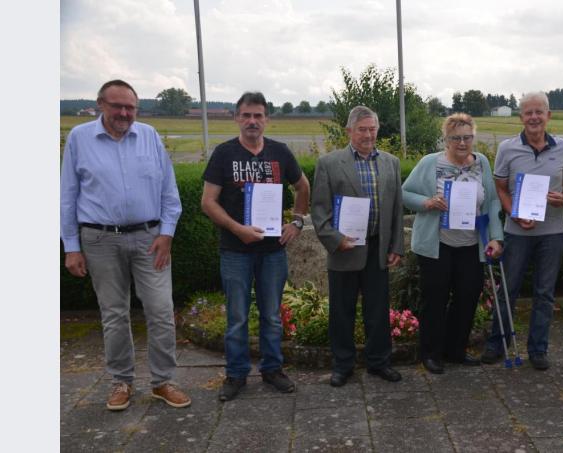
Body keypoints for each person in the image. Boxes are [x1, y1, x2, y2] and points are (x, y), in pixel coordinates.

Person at [60, 80, 191, 411]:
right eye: (116, 106)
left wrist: (167, 233)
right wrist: (71, 246)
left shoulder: (149, 136)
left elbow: (169, 192)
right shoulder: (79, 138)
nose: (123, 113)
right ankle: (121, 381)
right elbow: (68, 196)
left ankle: (163, 381)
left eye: (130, 107)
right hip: (100, 240)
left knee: (160, 309)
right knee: (114, 313)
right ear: (100, 104)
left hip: (150, 239)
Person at [201, 91, 310, 401]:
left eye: (258, 115)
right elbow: (208, 202)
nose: (252, 121)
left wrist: (297, 221)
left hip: (273, 250)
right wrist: (238, 229)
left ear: (266, 119)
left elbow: (303, 186)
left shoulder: (280, 152)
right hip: (235, 250)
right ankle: (236, 375)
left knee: (272, 315)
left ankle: (272, 369)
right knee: (237, 317)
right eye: (246, 115)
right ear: (237, 118)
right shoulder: (224, 154)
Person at [479, 92, 563, 371]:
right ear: (521, 117)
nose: (534, 117)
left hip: (553, 232)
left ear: (548, 115)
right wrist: (515, 213)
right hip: (517, 232)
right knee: (508, 289)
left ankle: (538, 349)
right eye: (528, 112)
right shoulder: (507, 148)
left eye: (539, 112)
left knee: (544, 293)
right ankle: (497, 344)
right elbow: (500, 188)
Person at [402, 113, 503, 374]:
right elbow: (404, 193)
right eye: (456, 138)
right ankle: (431, 354)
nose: (462, 143)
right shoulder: (430, 163)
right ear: (446, 139)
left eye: (467, 137)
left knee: (467, 297)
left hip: (471, 244)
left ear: (473, 138)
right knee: (434, 299)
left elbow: (492, 201)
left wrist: (495, 236)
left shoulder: (481, 162)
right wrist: (427, 202)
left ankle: (455, 350)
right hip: (437, 244)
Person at [311, 105, 404, 387]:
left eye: (372, 129)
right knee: (342, 312)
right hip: (345, 249)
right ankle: (343, 365)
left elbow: (397, 209)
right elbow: (319, 211)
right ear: (349, 131)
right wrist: (335, 240)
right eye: (362, 129)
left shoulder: (391, 163)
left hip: (377, 248)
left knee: (378, 311)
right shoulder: (329, 163)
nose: (368, 135)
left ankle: (379, 362)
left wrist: (396, 246)